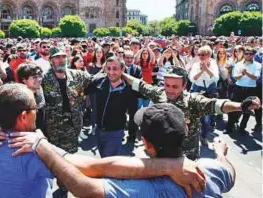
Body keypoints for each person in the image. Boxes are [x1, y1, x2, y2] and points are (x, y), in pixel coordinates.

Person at [0, 83, 205, 198]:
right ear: (24, 116)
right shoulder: (28, 148)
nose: (39, 110)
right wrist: (168, 165)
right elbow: (94, 168)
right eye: (36, 107)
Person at [122, 66, 261, 160]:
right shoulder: (159, 94)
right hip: (161, 156)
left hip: (186, 157)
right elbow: (139, 85)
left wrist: (240, 106)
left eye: (175, 86)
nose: (169, 90)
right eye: (167, 85)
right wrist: (120, 73)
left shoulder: (193, 101)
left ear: (184, 86)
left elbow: (218, 105)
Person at [100, 103, 235, 198]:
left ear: (146, 144)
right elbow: (230, 173)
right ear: (186, 131)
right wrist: (220, 154)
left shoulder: (139, 188)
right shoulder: (208, 170)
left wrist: (166, 167)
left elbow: (78, 171)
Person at [84, 57, 132, 157]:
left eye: (115, 68)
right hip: (99, 130)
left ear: (122, 70)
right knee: (103, 157)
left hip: (115, 132)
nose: (111, 72)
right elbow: (84, 91)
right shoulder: (99, 82)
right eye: (108, 68)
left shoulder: (128, 88)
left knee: (109, 160)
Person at [226, 47, 261, 135]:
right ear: (244, 54)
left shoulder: (257, 65)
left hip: (251, 90)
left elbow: (256, 77)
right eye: (246, 53)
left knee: (247, 110)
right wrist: (242, 74)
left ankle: (242, 128)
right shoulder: (238, 64)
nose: (248, 55)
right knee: (233, 108)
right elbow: (235, 77)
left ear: (254, 55)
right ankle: (229, 127)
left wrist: (246, 73)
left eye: (251, 54)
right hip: (239, 88)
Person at [189, 45, 219, 146]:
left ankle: (204, 136)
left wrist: (206, 69)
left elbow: (215, 78)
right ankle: (192, 136)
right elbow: (192, 78)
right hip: (196, 90)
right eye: (199, 54)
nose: (201, 56)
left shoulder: (214, 64)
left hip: (209, 92)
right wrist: (202, 70)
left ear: (209, 55)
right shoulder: (195, 65)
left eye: (204, 54)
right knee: (193, 115)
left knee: (206, 118)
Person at [16, 63, 46, 131]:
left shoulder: (40, 89)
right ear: (24, 80)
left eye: (40, 75)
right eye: (34, 77)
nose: (39, 79)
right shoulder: (18, 98)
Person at [123, 50, 142, 143]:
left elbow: (138, 82)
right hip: (120, 96)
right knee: (120, 116)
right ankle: (120, 134)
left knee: (133, 117)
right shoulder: (119, 68)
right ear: (123, 58)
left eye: (131, 58)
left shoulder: (138, 69)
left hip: (133, 96)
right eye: (127, 57)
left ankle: (132, 136)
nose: (129, 59)